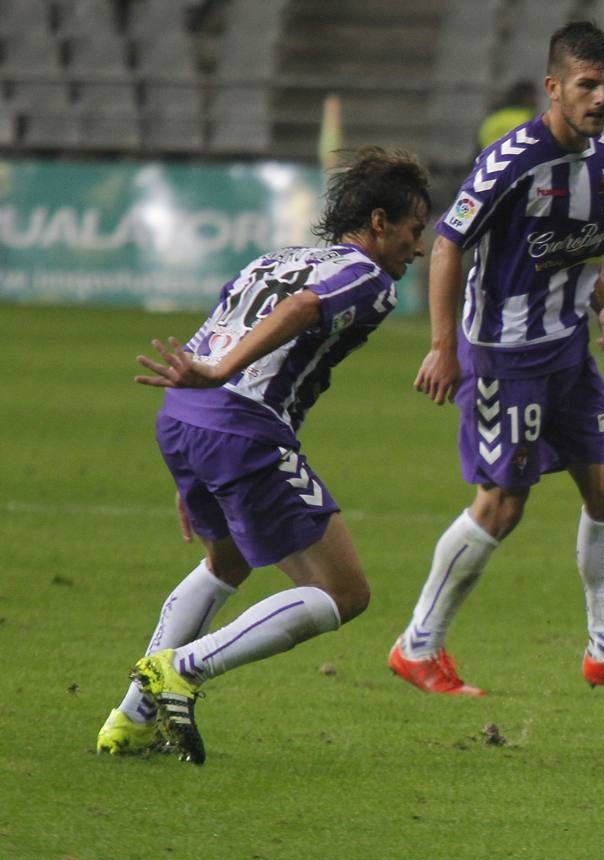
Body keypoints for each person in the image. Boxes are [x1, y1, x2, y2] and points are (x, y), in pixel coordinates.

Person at [95, 147, 432, 764]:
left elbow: (220, 323)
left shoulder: (278, 256)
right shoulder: (367, 274)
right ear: (379, 223)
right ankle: (184, 668)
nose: (418, 249)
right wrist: (224, 379)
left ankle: (130, 719)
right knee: (346, 593)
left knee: (226, 562)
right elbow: (302, 309)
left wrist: (192, 457)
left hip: (184, 419)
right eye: (413, 233)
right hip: (242, 428)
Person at [389, 21, 604, 699]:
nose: (601, 97)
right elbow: (446, 244)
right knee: (502, 504)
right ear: (554, 87)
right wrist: (443, 346)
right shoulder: (510, 161)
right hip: (503, 358)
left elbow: (589, 241)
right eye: (588, 84)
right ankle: (417, 646)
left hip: (569, 354)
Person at [477, 80, 538, 153]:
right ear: (527, 98)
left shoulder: (495, 116)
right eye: (534, 96)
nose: (536, 100)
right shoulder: (524, 119)